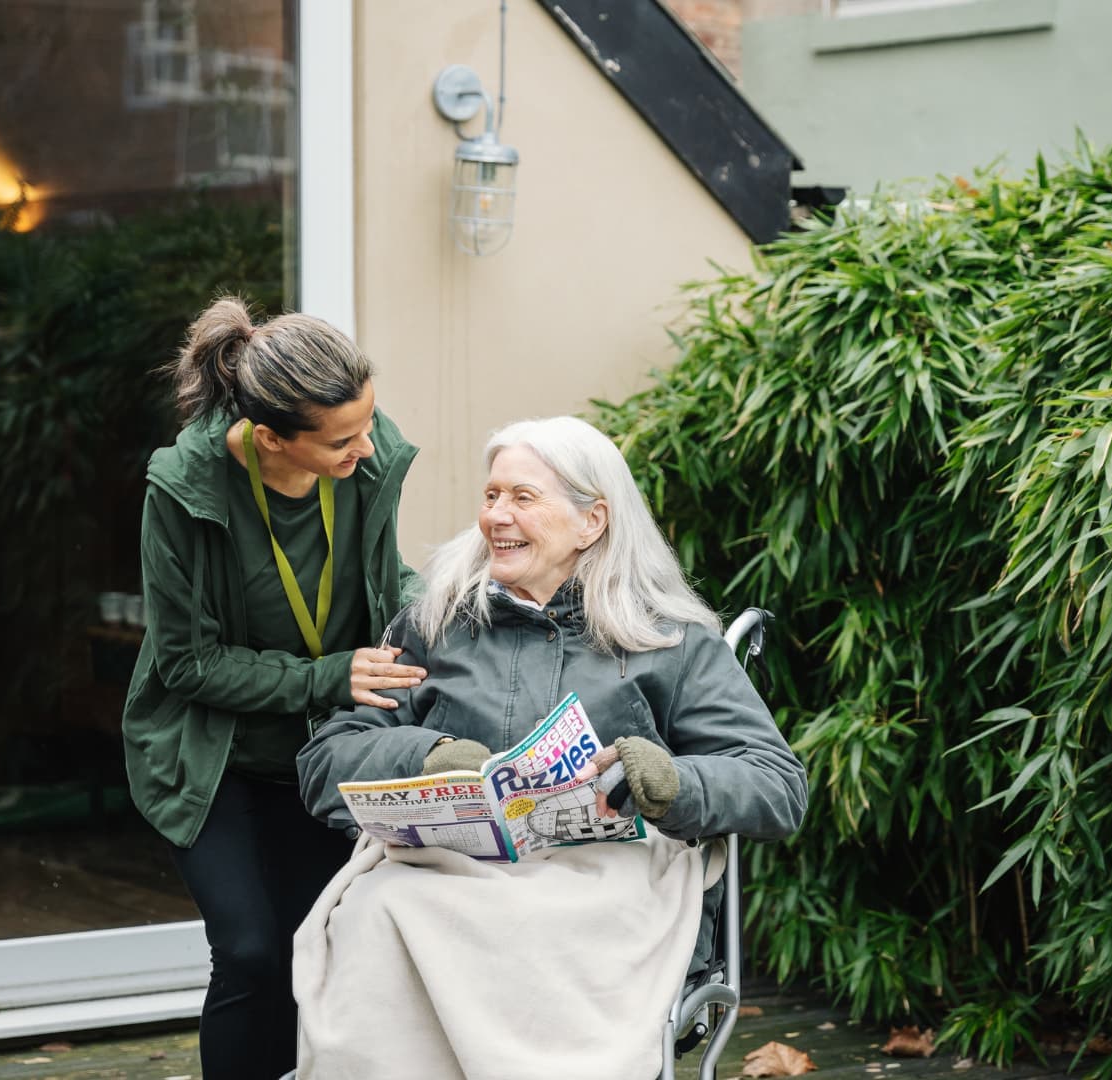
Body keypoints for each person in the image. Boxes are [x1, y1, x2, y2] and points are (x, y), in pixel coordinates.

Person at [294, 415, 808, 1080]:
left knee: (535, 930)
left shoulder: (670, 642)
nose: (495, 517)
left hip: (607, 883)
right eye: (490, 496)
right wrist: (426, 756)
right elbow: (328, 757)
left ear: (592, 521)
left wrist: (672, 781)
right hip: (448, 876)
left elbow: (776, 784)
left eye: (522, 498)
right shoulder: (436, 623)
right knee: (375, 909)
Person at [122, 296, 427, 1080]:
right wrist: (330, 675)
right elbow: (186, 663)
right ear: (269, 439)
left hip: (321, 752)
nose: (367, 448)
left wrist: (452, 604)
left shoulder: (366, 459)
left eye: (369, 423)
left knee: (317, 944)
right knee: (252, 952)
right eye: (342, 439)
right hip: (211, 755)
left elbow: (380, 579)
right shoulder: (183, 489)